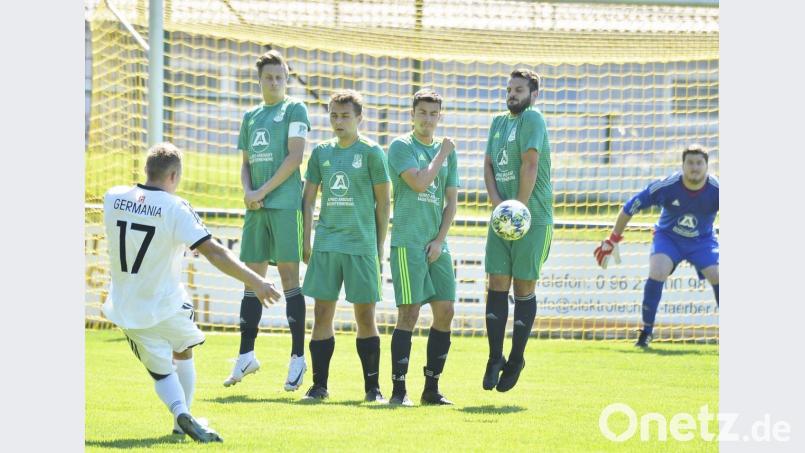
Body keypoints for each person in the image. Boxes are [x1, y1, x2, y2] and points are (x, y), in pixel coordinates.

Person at [102, 142, 281, 443]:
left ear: (146, 169)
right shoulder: (176, 208)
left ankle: (180, 412)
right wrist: (257, 282)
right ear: (174, 176)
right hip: (167, 305)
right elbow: (215, 252)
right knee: (184, 349)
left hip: (127, 308)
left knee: (162, 373)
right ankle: (181, 420)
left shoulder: (113, 197)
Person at [225, 50, 311, 391]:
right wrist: (249, 191)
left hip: (285, 206)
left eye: (279, 77)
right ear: (259, 81)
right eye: (268, 77)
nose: (274, 82)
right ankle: (246, 355)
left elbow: (295, 157)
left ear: (286, 79)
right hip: (256, 208)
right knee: (252, 279)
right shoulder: (251, 116)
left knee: (289, 277)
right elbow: (245, 163)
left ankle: (297, 358)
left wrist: (262, 190)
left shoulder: (295, 109)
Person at [300, 90, 391, 402]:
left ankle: (373, 389)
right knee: (321, 313)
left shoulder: (372, 153)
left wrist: (379, 245)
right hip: (327, 244)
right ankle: (319, 386)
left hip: (361, 246)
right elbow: (308, 200)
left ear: (359, 118)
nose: (338, 122)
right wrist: (306, 240)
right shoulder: (320, 153)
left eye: (345, 116)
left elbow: (384, 203)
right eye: (334, 116)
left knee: (365, 316)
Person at [594, 145, 719, 347]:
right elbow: (630, 207)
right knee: (657, 271)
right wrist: (613, 239)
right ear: (682, 165)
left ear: (707, 166)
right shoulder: (667, 186)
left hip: (702, 241)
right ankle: (646, 331)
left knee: (718, 274)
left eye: (699, 163)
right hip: (669, 238)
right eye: (690, 163)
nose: (694, 168)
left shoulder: (717, 189)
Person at [386, 89, 459, 406]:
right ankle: (399, 391)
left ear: (440, 116)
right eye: (422, 113)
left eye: (433, 114)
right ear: (412, 115)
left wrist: (440, 240)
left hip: (436, 244)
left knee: (445, 312)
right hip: (408, 243)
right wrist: (441, 154)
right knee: (409, 313)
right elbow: (419, 183)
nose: (428, 119)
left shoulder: (448, 153)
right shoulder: (401, 146)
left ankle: (431, 389)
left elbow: (451, 201)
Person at [483, 68, 553, 392]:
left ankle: (516, 358)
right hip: (503, 217)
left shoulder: (533, 118)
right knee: (496, 283)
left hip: (532, 219)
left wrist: (518, 211)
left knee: (523, 287)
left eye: (519, 90)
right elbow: (488, 165)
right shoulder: (498, 122)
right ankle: (494, 357)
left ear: (533, 95)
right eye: (510, 89)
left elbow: (530, 164)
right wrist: (500, 206)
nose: (512, 94)